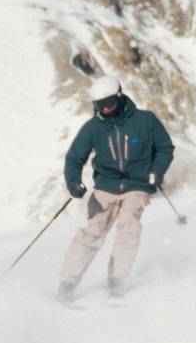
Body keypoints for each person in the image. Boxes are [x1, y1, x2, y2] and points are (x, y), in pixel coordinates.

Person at [57, 75, 174, 301]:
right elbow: (74, 159)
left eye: (109, 103)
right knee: (93, 231)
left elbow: (164, 147)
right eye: (100, 105)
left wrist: (157, 171)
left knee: (129, 227)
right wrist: (74, 182)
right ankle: (67, 283)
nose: (106, 109)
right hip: (106, 184)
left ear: (120, 96)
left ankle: (117, 281)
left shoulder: (145, 120)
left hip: (138, 184)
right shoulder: (92, 128)